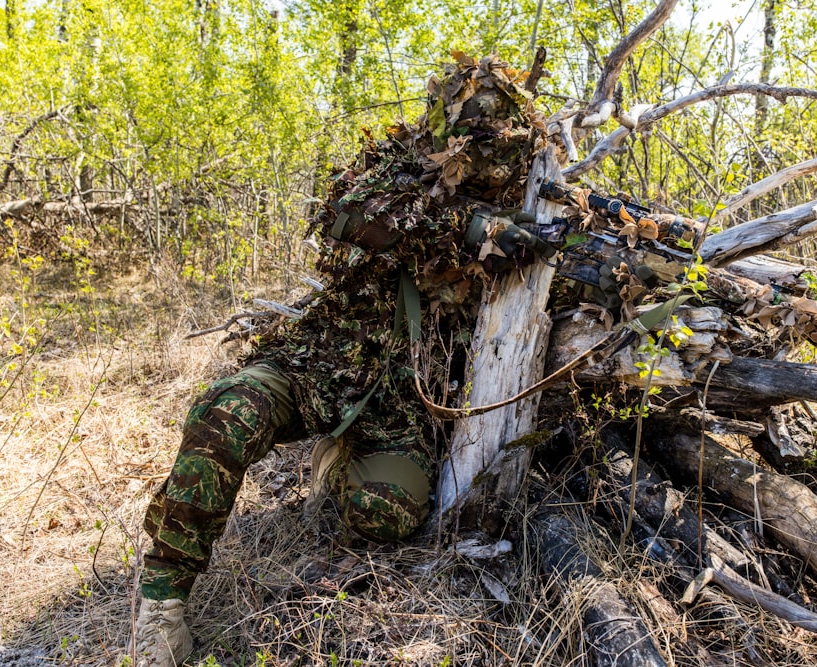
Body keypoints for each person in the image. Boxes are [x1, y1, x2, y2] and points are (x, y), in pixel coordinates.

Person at [132, 55, 555, 667]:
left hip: (407, 402)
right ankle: (161, 599)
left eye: (493, 144)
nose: (477, 158)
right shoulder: (394, 168)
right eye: (466, 136)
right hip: (318, 361)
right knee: (229, 414)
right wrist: (466, 226)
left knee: (384, 513)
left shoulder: (532, 197)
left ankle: (340, 463)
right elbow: (343, 214)